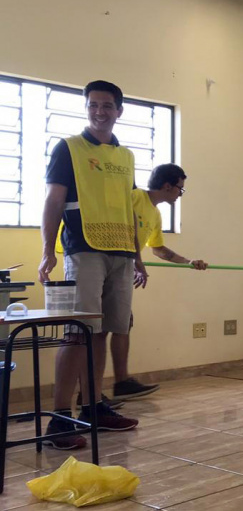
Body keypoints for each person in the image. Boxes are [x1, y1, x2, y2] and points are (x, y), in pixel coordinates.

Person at [39, 80, 143, 449]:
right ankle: (59, 419)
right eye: (93, 105)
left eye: (107, 106)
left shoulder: (126, 156)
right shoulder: (68, 148)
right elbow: (54, 201)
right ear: (87, 108)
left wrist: (138, 257)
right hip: (83, 249)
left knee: (102, 331)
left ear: (119, 111)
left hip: (121, 253)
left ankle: (93, 406)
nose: (100, 112)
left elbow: (129, 210)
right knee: (78, 332)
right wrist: (48, 249)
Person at [113, 164, 209, 399]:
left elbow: (157, 249)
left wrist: (189, 261)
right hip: (110, 264)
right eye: (180, 189)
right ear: (167, 186)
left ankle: (121, 383)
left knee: (123, 323)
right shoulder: (134, 197)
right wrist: (136, 261)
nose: (180, 193)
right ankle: (98, 389)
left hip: (124, 269)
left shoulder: (155, 213)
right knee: (103, 326)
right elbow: (126, 232)